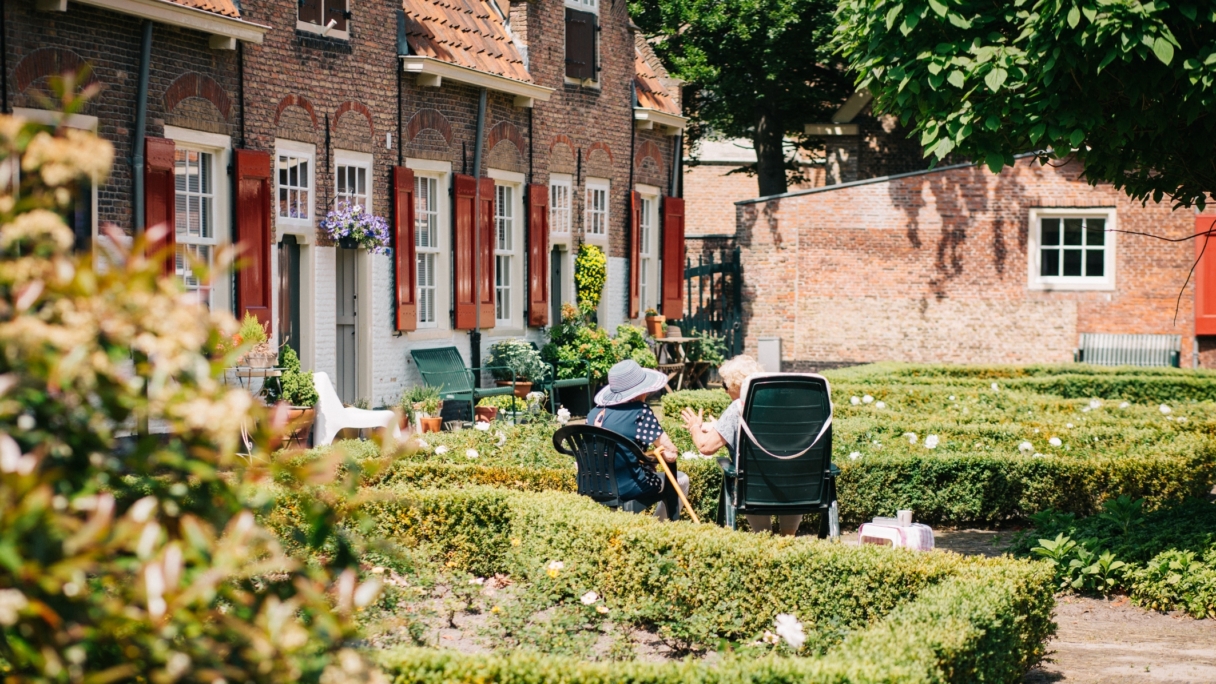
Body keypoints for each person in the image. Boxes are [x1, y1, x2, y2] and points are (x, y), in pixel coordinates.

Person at [681, 355, 803, 536]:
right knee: (785, 472)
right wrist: (720, 427)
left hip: (755, 488)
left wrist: (694, 427)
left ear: (737, 386)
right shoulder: (788, 406)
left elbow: (705, 446)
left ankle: (764, 537)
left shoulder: (738, 407)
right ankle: (788, 537)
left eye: (724, 385)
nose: (724, 391)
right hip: (797, 485)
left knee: (747, 475)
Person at [586, 359, 690, 521]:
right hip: (627, 487)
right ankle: (659, 528)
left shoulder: (593, 414)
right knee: (681, 480)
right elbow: (670, 454)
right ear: (641, 391)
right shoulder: (639, 412)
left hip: (592, 486)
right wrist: (651, 457)